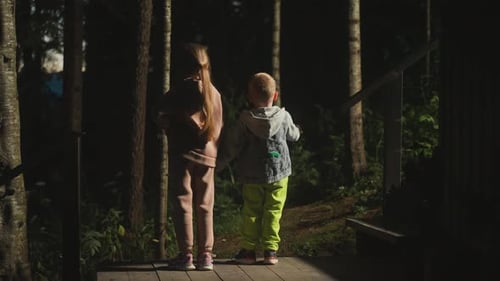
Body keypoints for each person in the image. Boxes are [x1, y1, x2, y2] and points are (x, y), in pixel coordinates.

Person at [216, 72, 301, 265]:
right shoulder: (284, 116)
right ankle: (270, 251)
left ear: (250, 97)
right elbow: (294, 136)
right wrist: (298, 129)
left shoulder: (245, 120)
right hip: (279, 173)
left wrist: (218, 165)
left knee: (251, 211)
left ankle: (248, 251)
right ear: (275, 96)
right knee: (273, 210)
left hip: (251, 174)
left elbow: (233, 145)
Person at [155, 42, 223, 271]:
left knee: (183, 202)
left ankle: (186, 256)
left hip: (182, 154)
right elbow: (218, 127)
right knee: (205, 205)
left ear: (182, 67)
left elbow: (163, 117)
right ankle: (206, 256)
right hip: (208, 157)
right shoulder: (214, 93)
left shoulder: (177, 92)